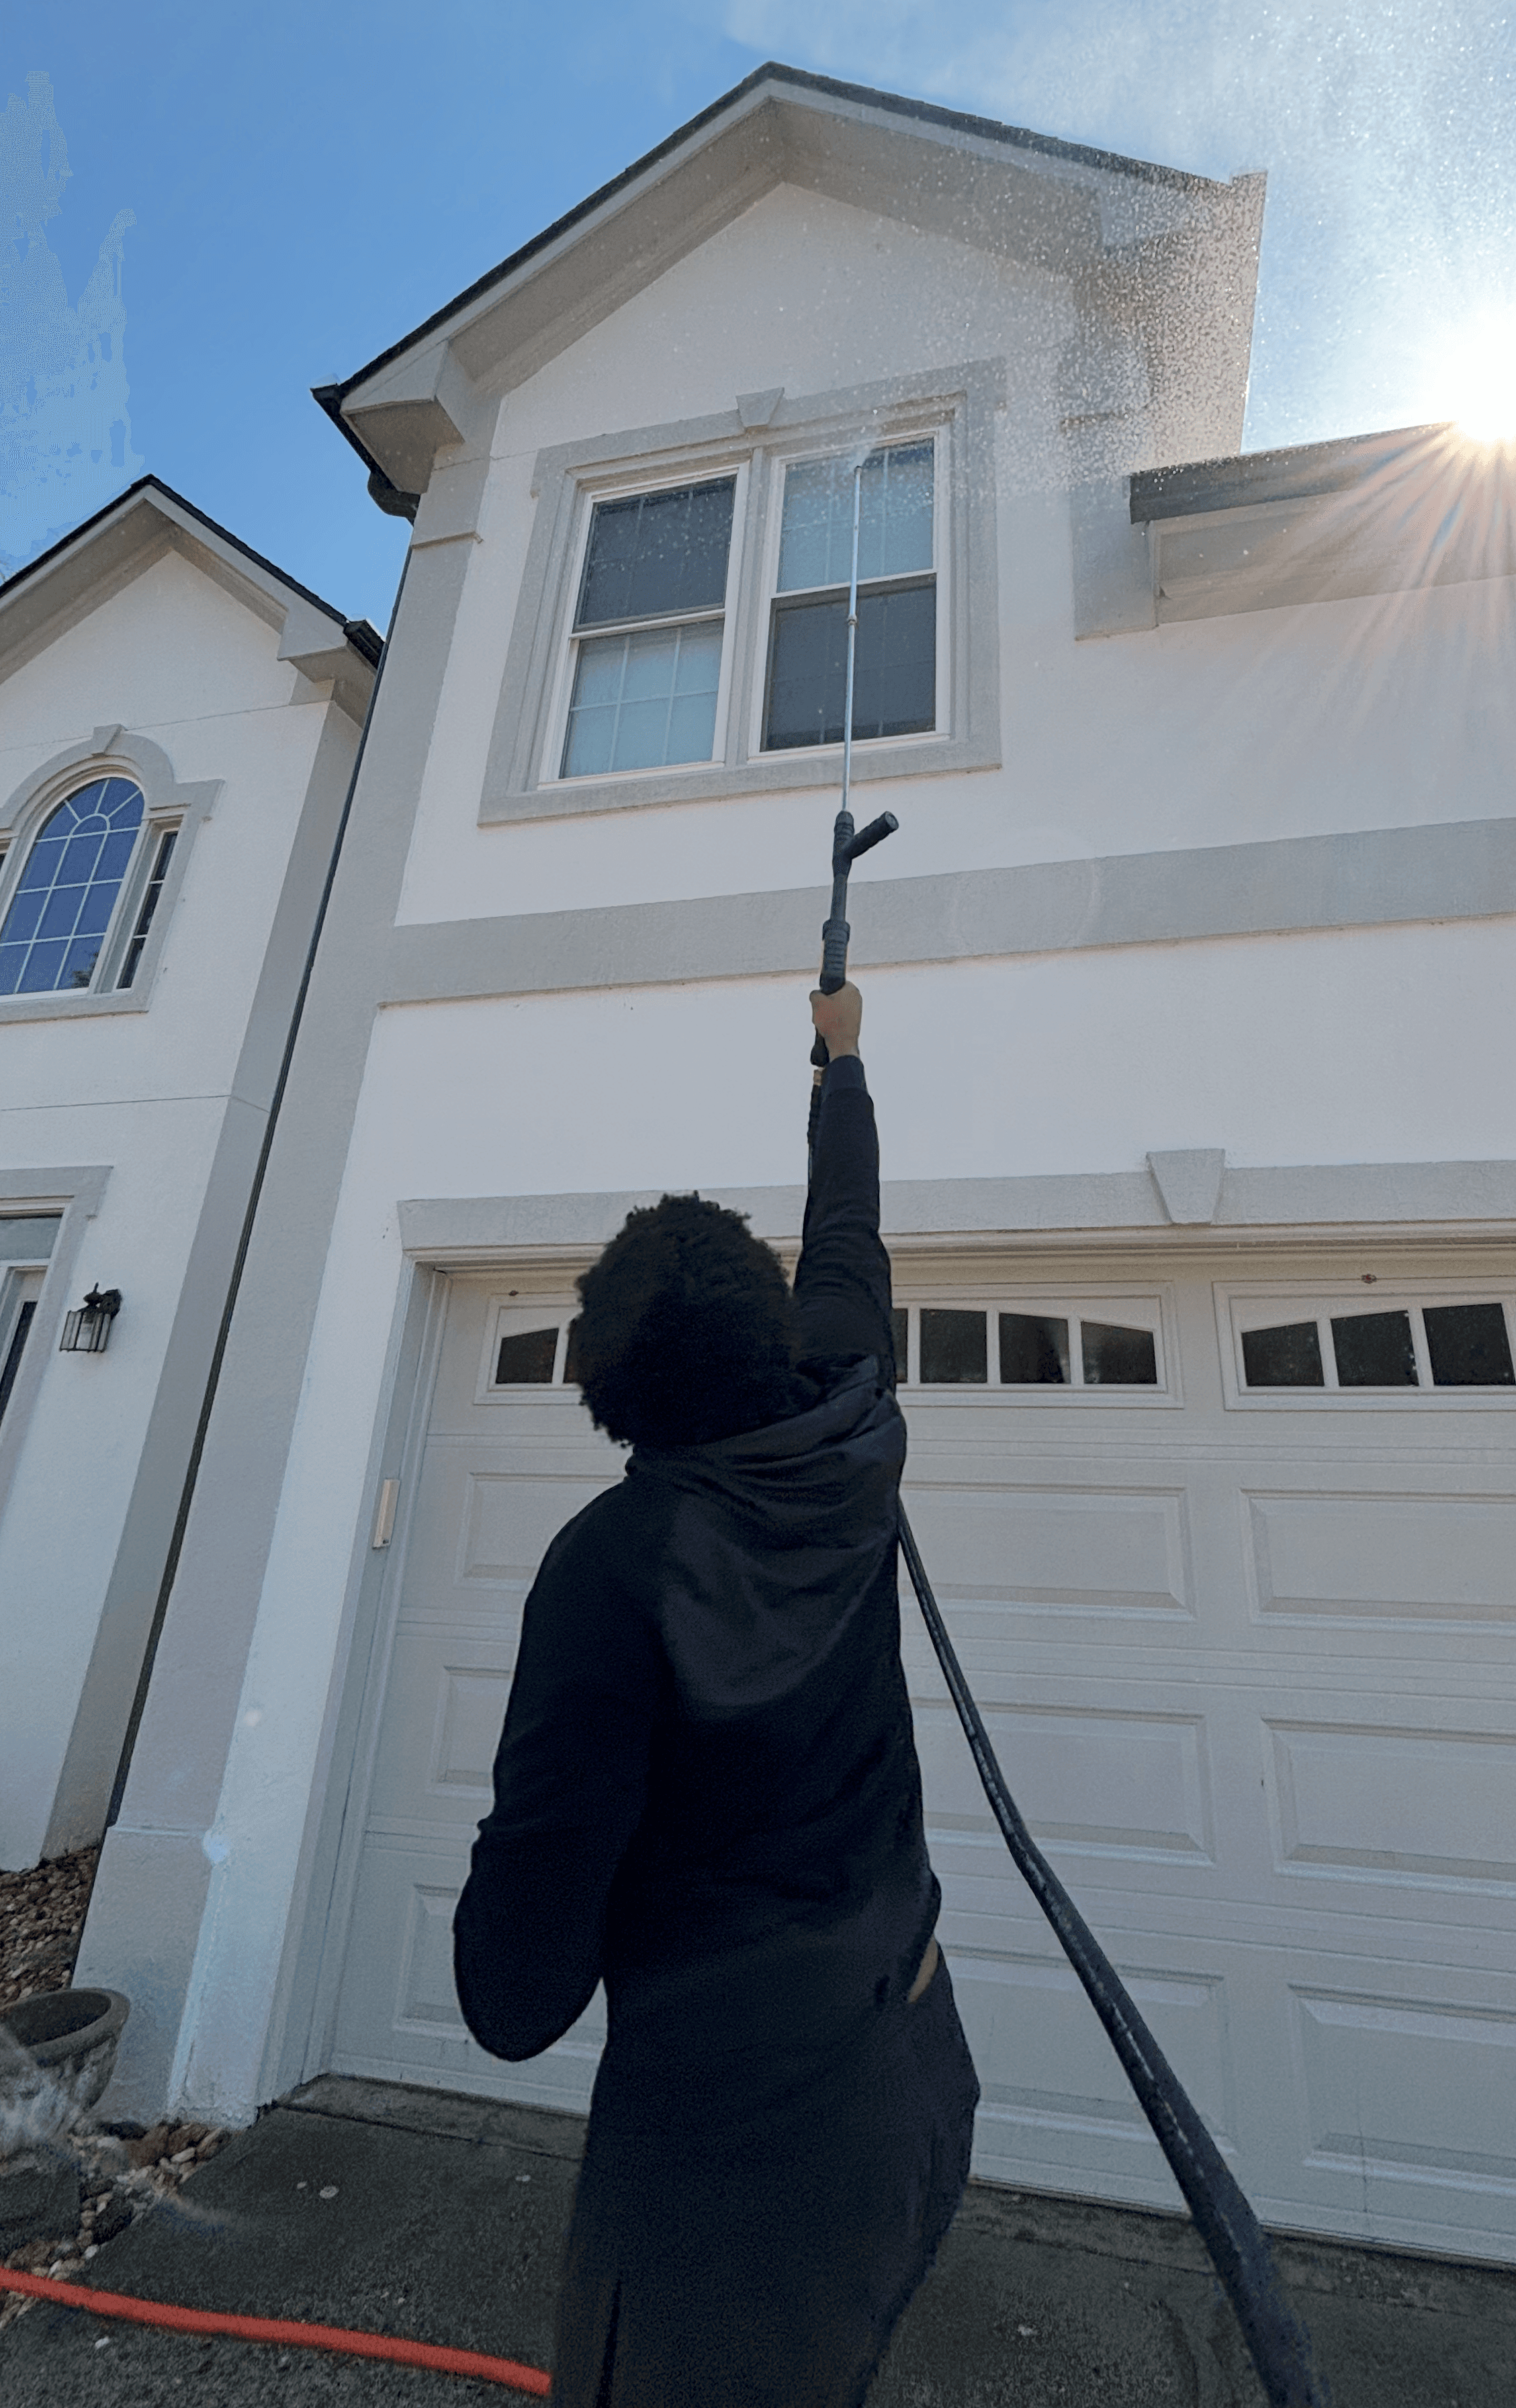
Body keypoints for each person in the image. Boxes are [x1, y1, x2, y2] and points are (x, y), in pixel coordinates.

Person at [453, 983, 979, 2408]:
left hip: (733, 2167)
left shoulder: (612, 1567)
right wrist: (842, 1064)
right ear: (772, 1318)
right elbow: (852, 1234)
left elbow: (513, 1995)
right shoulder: (855, 1423)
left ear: (608, 1397)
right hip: (918, 2077)